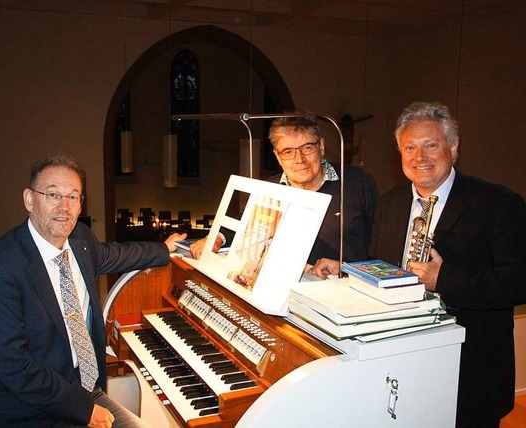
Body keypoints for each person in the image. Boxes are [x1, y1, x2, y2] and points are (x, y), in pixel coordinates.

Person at [314, 102, 526, 428]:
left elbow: (517, 282)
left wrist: (445, 280)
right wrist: (347, 269)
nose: (419, 157)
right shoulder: (392, 203)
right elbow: (384, 267)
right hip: (401, 360)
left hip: (469, 371)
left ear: (453, 148)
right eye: (409, 147)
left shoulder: (500, 203)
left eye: (431, 145)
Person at [0, 156, 186, 427]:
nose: (64, 207)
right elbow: (13, 367)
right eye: (52, 194)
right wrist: (84, 409)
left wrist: (167, 249)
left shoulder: (80, 240)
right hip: (16, 411)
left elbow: (116, 254)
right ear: (29, 200)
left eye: (72, 197)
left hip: (78, 388)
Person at [190, 114, 379, 269]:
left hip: (344, 296)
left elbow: (381, 250)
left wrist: (345, 270)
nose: (299, 159)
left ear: (321, 146)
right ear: (277, 157)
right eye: (288, 151)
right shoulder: (270, 188)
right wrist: (217, 237)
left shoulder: (358, 183)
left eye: (307, 147)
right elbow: (246, 222)